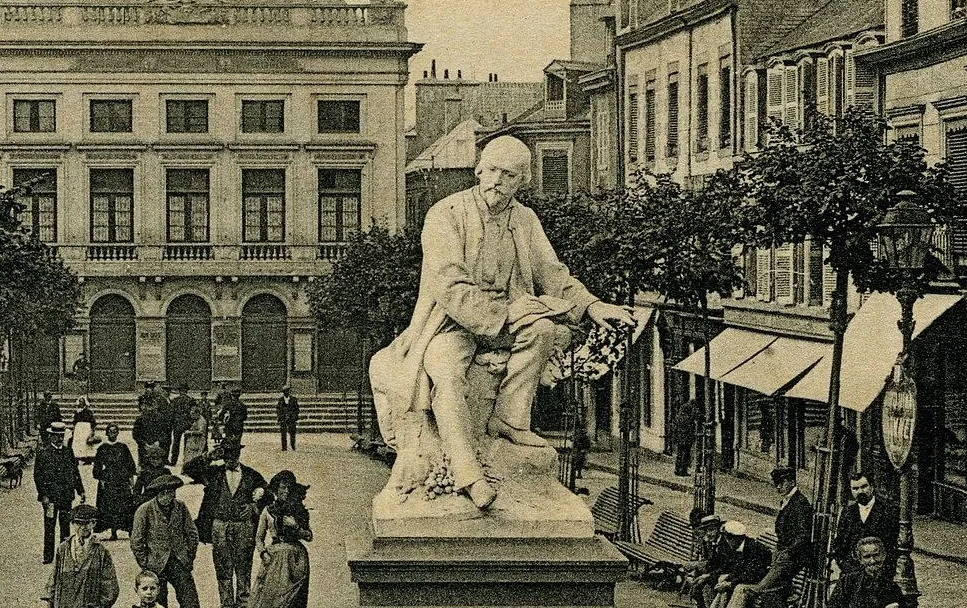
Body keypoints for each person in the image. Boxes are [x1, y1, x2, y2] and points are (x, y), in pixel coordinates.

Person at [367, 136, 634, 511]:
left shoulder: (525, 220)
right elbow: (449, 285)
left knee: (542, 330)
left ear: (522, 180)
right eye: (491, 170)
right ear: (478, 170)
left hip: (508, 321)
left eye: (508, 174)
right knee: (445, 372)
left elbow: (553, 274)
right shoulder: (446, 213)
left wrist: (592, 306)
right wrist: (506, 315)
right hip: (452, 323)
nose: (496, 180)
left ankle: (509, 418)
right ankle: (467, 473)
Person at [709, 467, 815, 608]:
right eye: (776, 484)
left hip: (790, 558)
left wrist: (787, 553)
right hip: (782, 555)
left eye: (782, 483)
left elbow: (804, 535)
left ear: (792, 482)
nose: (779, 487)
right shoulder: (789, 501)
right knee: (771, 592)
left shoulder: (800, 504)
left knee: (759, 590)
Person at [130, 473, 212, 608]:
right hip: (156, 568)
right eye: (165, 493)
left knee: (191, 607)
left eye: (172, 492)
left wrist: (188, 557)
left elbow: (192, 534)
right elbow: (136, 541)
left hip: (179, 564)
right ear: (157, 494)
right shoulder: (144, 511)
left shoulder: (181, 508)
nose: (169, 497)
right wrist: (147, 566)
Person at [187, 445, 267, 608]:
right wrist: (207, 456)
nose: (231, 459)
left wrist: (254, 508)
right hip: (219, 524)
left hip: (243, 526)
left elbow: (269, 495)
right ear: (222, 456)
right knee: (223, 568)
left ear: (239, 454)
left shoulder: (251, 474)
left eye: (234, 454)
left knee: (244, 567)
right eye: (227, 455)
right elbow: (188, 470)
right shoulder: (213, 473)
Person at [245, 471, 314, 608]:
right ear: (275, 490)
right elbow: (258, 538)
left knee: (295, 601)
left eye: (288, 488)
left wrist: (295, 526)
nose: (284, 491)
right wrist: (263, 553)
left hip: (296, 558)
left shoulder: (299, 510)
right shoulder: (267, 511)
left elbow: (309, 536)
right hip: (274, 558)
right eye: (281, 488)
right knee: (274, 599)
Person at [44, 504, 120, 608]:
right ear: (73, 524)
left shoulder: (101, 552)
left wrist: (97, 603)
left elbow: (110, 583)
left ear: (93, 524)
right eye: (78, 523)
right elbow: (53, 580)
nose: (83, 527)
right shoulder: (63, 549)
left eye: (88, 523)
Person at [693, 520, 770, 608]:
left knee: (740, 588)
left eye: (728, 539)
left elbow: (752, 575)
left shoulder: (756, 550)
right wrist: (727, 580)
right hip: (752, 580)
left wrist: (730, 583)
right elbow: (737, 570)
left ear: (734, 538)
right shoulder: (739, 547)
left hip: (762, 583)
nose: (727, 542)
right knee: (724, 581)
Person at [830, 472, 901, 575]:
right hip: (852, 575)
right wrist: (846, 567)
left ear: (872, 487)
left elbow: (892, 545)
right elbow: (840, 544)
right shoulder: (847, 512)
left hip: (879, 574)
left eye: (864, 486)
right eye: (855, 488)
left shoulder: (888, 510)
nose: (860, 491)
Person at [34, 422, 82, 564]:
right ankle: (48, 556)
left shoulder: (68, 452)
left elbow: (75, 472)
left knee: (65, 526)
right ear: (50, 436)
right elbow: (38, 476)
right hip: (50, 497)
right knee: (49, 526)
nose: (60, 439)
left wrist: (81, 490)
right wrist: (44, 495)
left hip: (65, 496)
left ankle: (64, 555)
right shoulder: (43, 453)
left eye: (62, 436)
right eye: (57, 436)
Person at [92, 423, 138, 538]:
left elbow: (130, 464)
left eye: (115, 431)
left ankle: (128, 529)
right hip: (109, 480)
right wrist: (101, 479)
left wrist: (130, 480)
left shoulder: (123, 447)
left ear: (117, 433)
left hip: (122, 479)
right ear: (106, 433)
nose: (112, 434)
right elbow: (97, 466)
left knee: (125, 505)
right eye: (110, 431)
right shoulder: (102, 448)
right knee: (110, 506)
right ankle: (113, 531)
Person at [133, 394, 172, 475]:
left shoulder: (162, 418)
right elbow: (136, 434)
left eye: (152, 406)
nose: (150, 408)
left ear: (156, 406)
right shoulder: (140, 420)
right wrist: (144, 444)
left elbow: (166, 432)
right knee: (144, 469)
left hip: (158, 447)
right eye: (148, 406)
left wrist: (159, 442)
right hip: (144, 448)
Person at [670, 398, 700, 477]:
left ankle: (677, 469)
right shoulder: (688, 416)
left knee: (680, 453)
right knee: (685, 454)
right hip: (686, 437)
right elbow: (694, 420)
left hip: (679, 437)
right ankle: (683, 471)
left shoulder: (679, 416)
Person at [215, 386, 249, 457]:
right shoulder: (242, 405)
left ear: (231, 395)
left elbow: (221, 415)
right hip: (239, 426)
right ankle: (236, 457)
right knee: (237, 442)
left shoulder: (227, 405)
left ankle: (229, 457)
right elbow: (245, 417)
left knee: (229, 441)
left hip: (229, 426)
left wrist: (224, 421)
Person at [167, 386, 194, 466]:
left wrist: (172, 423)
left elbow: (171, 413)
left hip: (177, 424)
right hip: (187, 424)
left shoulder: (175, 400)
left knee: (176, 443)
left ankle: (173, 460)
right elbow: (193, 413)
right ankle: (187, 460)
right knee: (187, 443)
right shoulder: (190, 400)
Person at [72, 399, 99, 475]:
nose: (80, 403)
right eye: (79, 401)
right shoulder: (77, 411)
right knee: (78, 444)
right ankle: (78, 457)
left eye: (82, 401)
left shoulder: (88, 412)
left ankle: (87, 459)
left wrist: (92, 431)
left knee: (86, 444)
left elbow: (93, 422)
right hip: (78, 429)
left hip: (86, 428)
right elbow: (74, 422)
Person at [275, 386, 302, 452]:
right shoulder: (280, 400)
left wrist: (293, 416)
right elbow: (278, 409)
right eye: (284, 391)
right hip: (283, 418)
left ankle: (293, 446)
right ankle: (284, 447)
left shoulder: (294, 399)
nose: (286, 393)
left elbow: (297, 409)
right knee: (283, 433)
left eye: (287, 391)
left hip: (291, 418)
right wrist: (280, 416)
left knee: (292, 433)